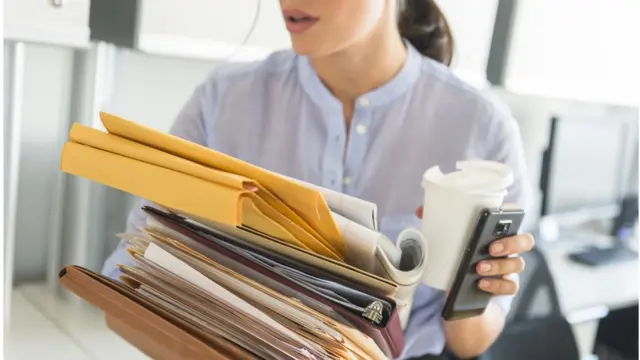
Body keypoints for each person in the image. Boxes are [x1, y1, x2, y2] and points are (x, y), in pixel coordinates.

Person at [101, 0, 535, 358]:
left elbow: (471, 342)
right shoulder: (223, 102)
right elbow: (129, 283)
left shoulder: (482, 128)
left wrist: (472, 283)